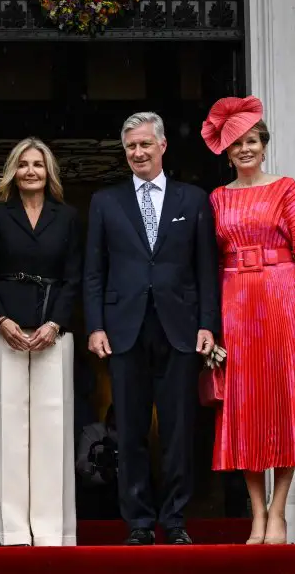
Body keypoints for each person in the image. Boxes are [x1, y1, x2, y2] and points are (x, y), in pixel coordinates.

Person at [200, 95, 295, 545]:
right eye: (236, 142)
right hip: (235, 305)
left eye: (252, 141)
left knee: (283, 406)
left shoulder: (286, 189)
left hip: (281, 302)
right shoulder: (217, 199)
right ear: (226, 148)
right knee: (245, 411)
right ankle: (256, 514)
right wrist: (212, 325)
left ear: (264, 145)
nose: (244, 149)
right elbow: (207, 261)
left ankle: (278, 514)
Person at [84, 111, 220, 545]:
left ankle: (175, 519)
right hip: (124, 329)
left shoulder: (193, 199)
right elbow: (94, 271)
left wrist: (208, 324)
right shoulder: (106, 202)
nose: (138, 152)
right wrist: (95, 325)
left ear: (163, 146)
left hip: (179, 328)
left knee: (179, 431)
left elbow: (206, 269)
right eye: (130, 147)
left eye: (145, 144)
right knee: (130, 429)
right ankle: (139, 522)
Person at [0, 137, 82, 546]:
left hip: (51, 330)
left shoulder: (69, 216)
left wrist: (55, 323)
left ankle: (51, 530)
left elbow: (76, 276)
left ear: (49, 171)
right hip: (3, 327)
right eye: (22, 164)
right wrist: (0, 318)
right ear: (12, 170)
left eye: (38, 164)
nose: (30, 171)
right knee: (6, 429)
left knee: (51, 429)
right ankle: (9, 530)